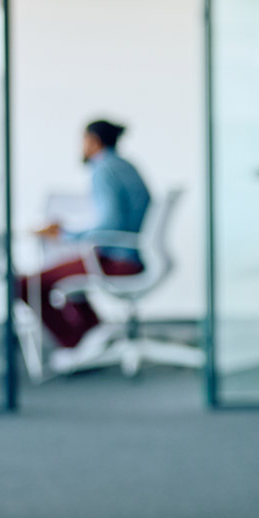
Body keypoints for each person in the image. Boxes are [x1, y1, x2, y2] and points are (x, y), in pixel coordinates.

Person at [20, 118, 152, 370]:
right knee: (66, 275)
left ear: (93, 141)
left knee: (26, 284)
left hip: (117, 259)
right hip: (132, 254)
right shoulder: (125, 165)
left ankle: (73, 345)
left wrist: (65, 234)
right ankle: (93, 335)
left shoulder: (103, 169)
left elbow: (109, 223)